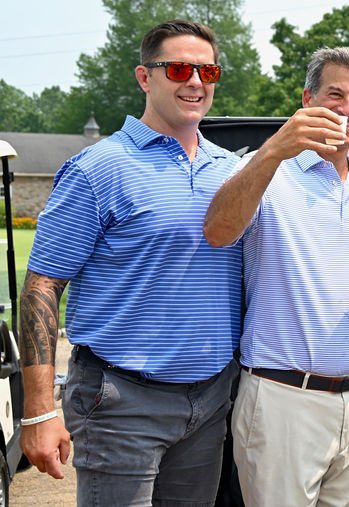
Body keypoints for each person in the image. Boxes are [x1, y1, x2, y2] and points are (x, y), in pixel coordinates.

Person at [16, 20, 242, 506]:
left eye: (208, 72)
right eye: (179, 69)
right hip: (120, 401)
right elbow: (42, 286)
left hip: (210, 402)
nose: (196, 82)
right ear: (145, 77)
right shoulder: (98, 168)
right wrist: (37, 411)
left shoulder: (233, 171)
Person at [203, 47, 349, 506]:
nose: (346, 108)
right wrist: (275, 148)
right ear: (307, 98)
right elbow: (217, 231)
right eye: (335, 94)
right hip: (283, 399)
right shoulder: (264, 170)